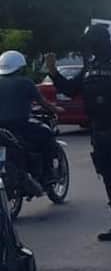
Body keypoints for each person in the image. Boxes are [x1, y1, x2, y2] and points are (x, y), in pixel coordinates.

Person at [46, 24, 111, 244]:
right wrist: (54, 73)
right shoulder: (91, 66)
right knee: (109, 178)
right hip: (99, 130)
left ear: (102, 40)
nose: (90, 46)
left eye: (92, 41)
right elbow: (71, 89)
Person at [0, 51, 62, 186]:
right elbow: (43, 102)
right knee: (47, 134)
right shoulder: (25, 83)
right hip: (20, 126)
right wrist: (56, 109)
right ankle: (48, 173)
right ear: (20, 67)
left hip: (1, 128)